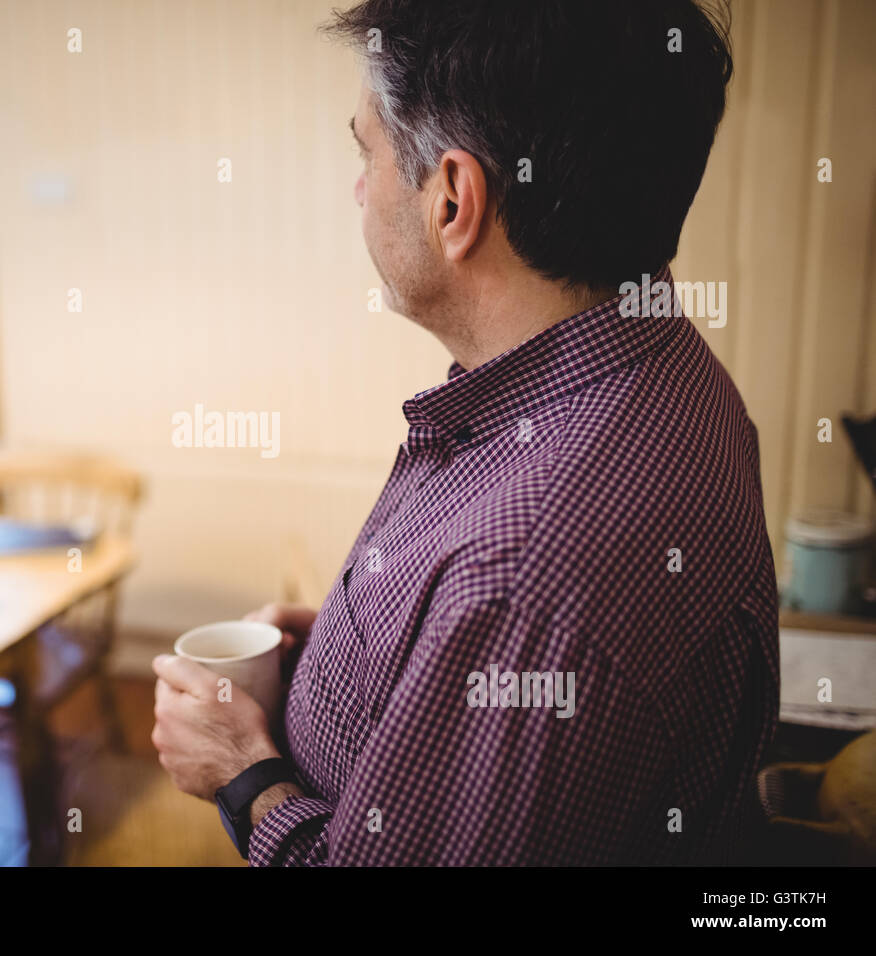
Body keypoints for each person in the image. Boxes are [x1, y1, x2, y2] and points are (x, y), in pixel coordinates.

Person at [152, 0, 778, 865]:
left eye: (364, 151)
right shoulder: (669, 375)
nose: (360, 186)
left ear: (453, 201)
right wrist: (364, 648)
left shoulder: (522, 586)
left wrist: (240, 770)